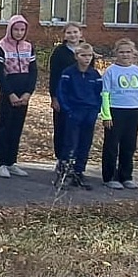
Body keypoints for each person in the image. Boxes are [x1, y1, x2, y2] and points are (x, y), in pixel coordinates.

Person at [100, 39, 138, 189]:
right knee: (112, 146)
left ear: (134, 54)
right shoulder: (111, 71)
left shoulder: (137, 71)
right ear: (116, 53)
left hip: (133, 111)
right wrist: (106, 115)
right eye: (121, 52)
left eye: (128, 52)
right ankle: (110, 176)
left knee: (129, 146)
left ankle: (126, 176)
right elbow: (105, 94)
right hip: (116, 111)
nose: (125, 55)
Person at [0, 14, 38, 179]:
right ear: (10, 29)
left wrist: (28, 93)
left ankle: (12, 161)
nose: (19, 33)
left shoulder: (28, 47)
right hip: (7, 93)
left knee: (16, 127)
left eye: (22, 30)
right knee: (4, 126)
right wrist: (10, 93)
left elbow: (33, 72)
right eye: (16, 29)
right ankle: (1, 162)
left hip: (23, 92)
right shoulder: (1, 46)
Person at [55, 42, 102, 190]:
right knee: (70, 143)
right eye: (83, 55)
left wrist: (96, 110)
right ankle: (64, 173)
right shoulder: (68, 73)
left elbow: (100, 94)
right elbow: (61, 92)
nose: (87, 58)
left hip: (90, 113)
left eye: (89, 55)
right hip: (74, 112)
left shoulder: (95, 74)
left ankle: (79, 171)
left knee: (85, 143)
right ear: (76, 56)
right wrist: (68, 109)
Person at [47, 23, 84, 168]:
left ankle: (75, 160)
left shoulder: (86, 50)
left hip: (80, 98)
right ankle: (61, 159)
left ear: (80, 33)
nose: (73, 35)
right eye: (69, 32)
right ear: (64, 35)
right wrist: (54, 97)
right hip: (63, 96)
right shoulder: (59, 52)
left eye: (75, 32)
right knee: (62, 127)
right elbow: (54, 76)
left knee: (78, 129)